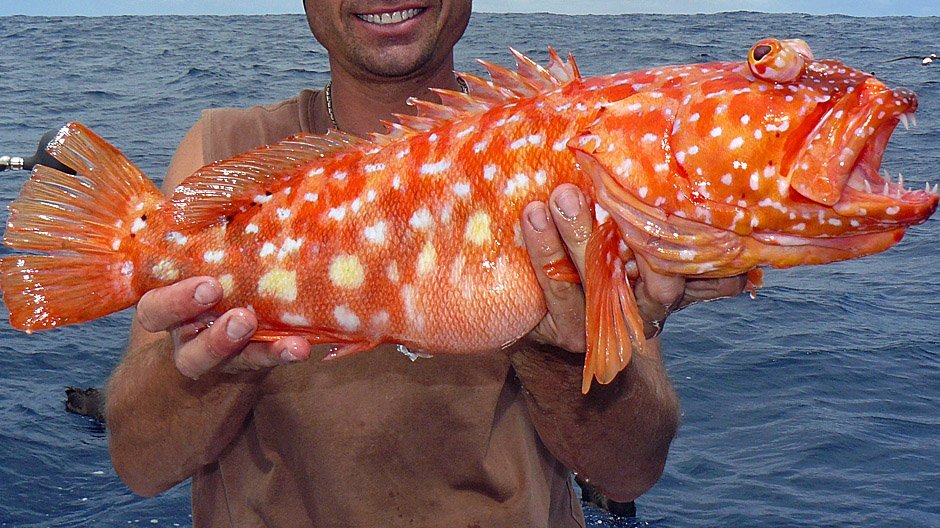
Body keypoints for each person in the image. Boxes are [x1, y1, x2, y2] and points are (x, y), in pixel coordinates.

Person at [105, 1, 747, 526]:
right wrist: (207, 366)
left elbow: (629, 471)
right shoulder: (223, 152)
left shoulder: (567, 146)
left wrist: (555, 347)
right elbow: (139, 462)